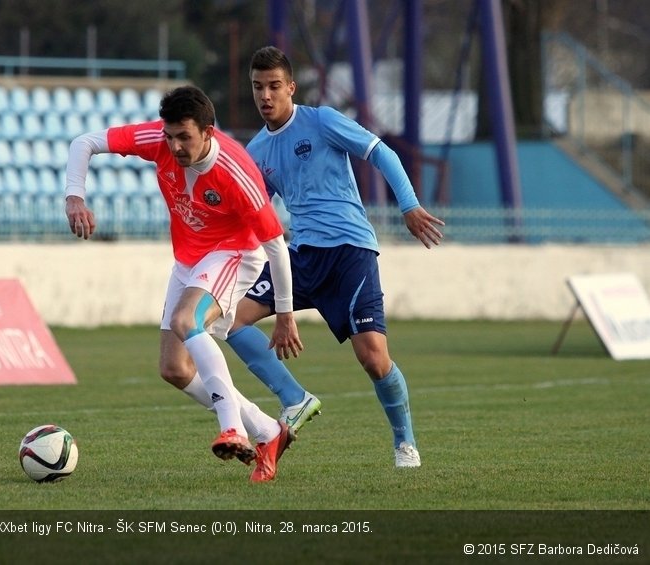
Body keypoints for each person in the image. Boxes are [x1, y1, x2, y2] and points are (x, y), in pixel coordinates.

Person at [64, 85, 303, 482]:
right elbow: (84, 142)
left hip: (236, 253)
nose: (174, 146)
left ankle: (233, 428)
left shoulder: (236, 171)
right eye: (169, 136)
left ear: (208, 131)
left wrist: (285, 313)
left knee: (185, 319)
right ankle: (267, 430)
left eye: (184, 137)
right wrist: (75, 196)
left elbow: (277, 247)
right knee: (174, 368)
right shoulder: (158, 140)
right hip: (189, 260)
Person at [225, 46, 445, 468]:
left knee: (373, 358)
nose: (265, 96)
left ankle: (405, 443)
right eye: (257, 87)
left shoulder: (321, 121)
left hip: (350, 253)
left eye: (274, 86)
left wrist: (409, 205)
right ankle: (294, 397)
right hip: (301, 256)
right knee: (230, 320)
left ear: (290, 87)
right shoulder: (255, 151)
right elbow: (255, 213)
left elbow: (382, 152)